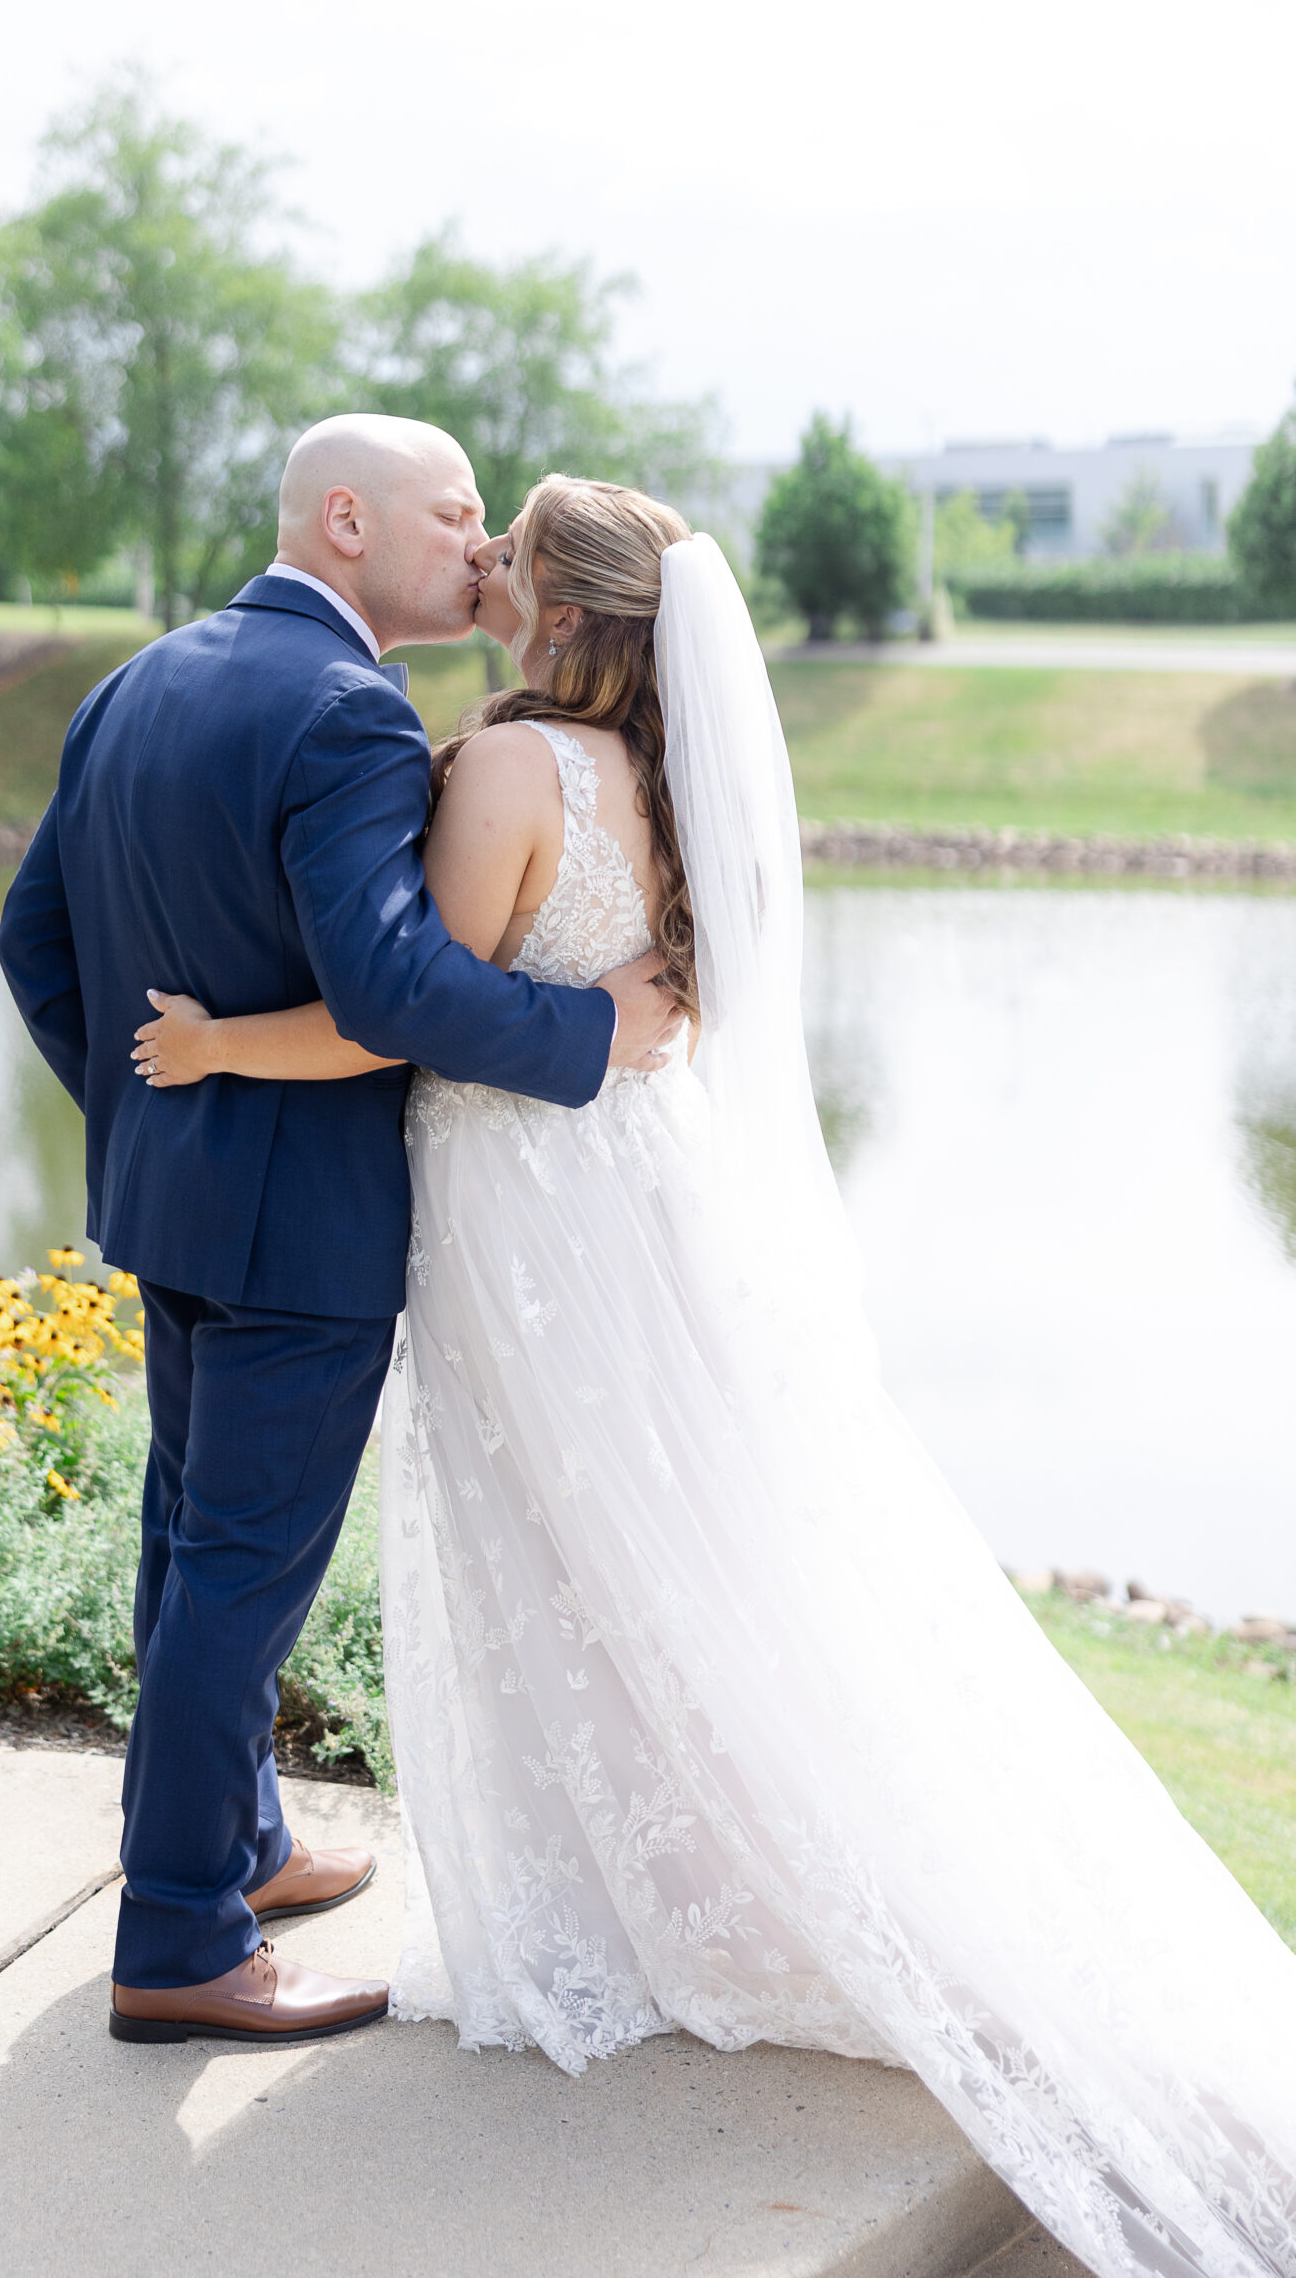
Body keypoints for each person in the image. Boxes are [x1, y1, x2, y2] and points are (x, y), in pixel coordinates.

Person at [132, 475, 1296, 2278]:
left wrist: (211, 1047)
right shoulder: (660, 782)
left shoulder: (509, 771)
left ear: (574, 615)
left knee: (563, 1553)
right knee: (682, 1553)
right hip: (630, 1196)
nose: (488, 567)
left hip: (527, 1210)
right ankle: (684, 1882)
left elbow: (397, 1010)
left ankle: (617, 1903)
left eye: (511, 549)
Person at [0, 421, 681, 2048]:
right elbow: (387, 992)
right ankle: (178, 1939)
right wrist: (599, 1035)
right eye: (455, 514)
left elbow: (38, 943)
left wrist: (164, 1116)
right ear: (351, 519)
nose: (477, 542)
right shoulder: (352, 711)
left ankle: (241, 1845)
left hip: (172, 1206)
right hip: (299, 1231)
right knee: (241, 1582)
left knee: (190, 1548)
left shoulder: (137, 681)